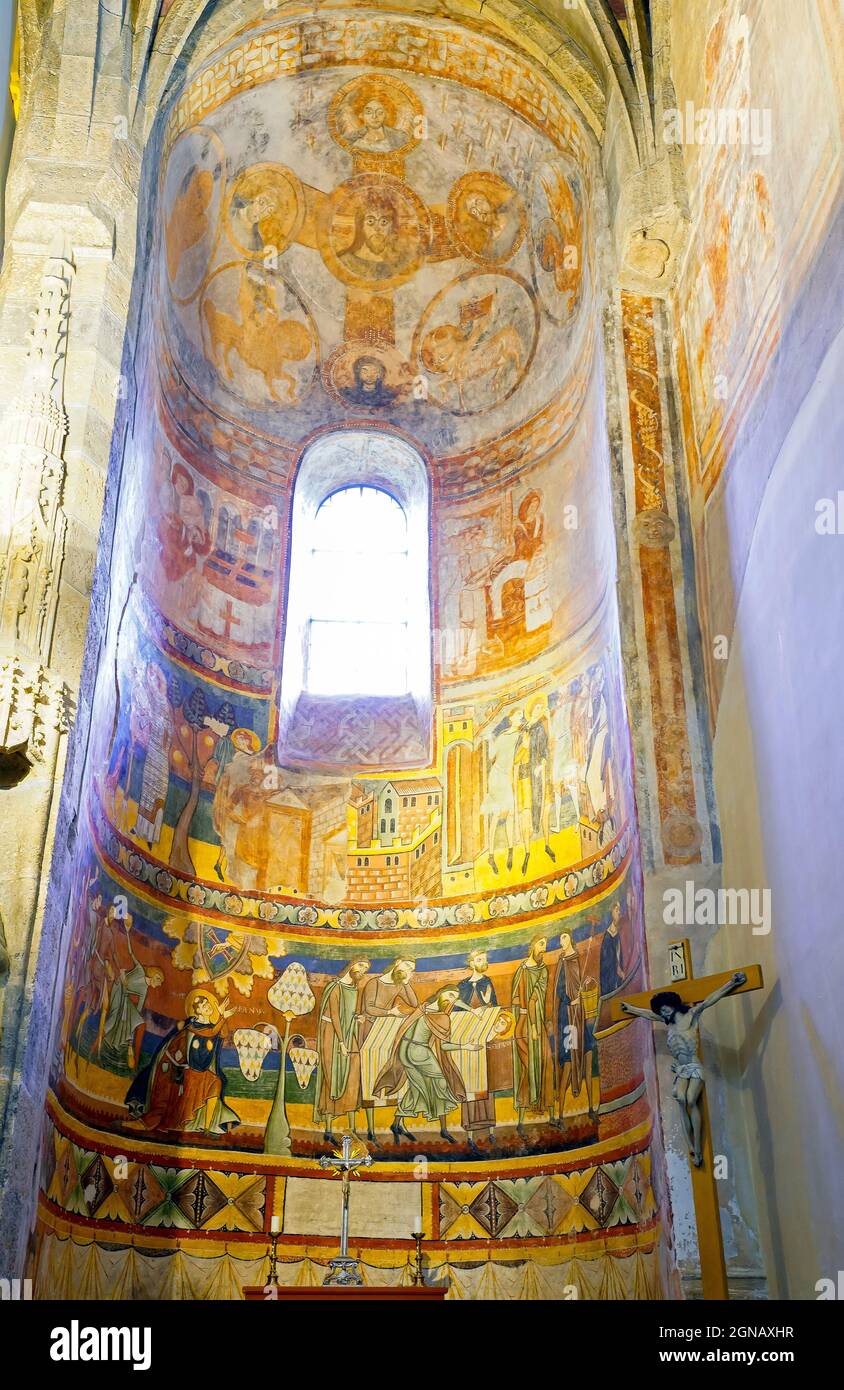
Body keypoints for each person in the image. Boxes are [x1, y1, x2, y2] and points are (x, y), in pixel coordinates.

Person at [621, 973, 747, 1166]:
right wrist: (630, 1009)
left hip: (694, 1065)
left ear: (672, 1004)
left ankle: (698, 1148)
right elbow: (647, 1014)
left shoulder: (691, 1015)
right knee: (680, 1100)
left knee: (690, 1099)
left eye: (665, 1008)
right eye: (661, 1011)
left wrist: (731, 982)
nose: (663, 1013)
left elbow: (711, 999)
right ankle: (691, 1146)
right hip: (680, 1069)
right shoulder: (667, 1023)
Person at [125, 988, 239, 1136]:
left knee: (216, 1082)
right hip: (183, 1069)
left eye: (209, 1005)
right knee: (206, 1082)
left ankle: (206, 1128)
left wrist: (221, 1017)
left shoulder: (210, 1027)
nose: (209, 1007)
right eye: (205, 1006)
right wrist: (222, 1017)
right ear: (198, 1012)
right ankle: (185, 1121)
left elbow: (220, 1033)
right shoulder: (192, 1026)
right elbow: (208, 1034)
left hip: (199, 1070)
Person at [373, 988, 472, 1144]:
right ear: (441, 993)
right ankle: (443, 1129)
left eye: (454, 999)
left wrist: (464, 1046)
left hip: (408, 1052)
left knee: (416, 1089)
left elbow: (444, 1046)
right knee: (441, 1084)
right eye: (450, 995)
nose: (451, 1000)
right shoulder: (422, 1008)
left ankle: (396, 1124)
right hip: (416, 1053)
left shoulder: (438, 1016)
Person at [357, 959, 418, 1142]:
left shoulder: (400, 984)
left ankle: (399, 1123)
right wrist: (390, 1013)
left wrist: (407, 984)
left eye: (412, 970)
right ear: (398, 963)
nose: (408, 971)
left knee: (398, 1070)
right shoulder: (374, 983)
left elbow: (414, 1003)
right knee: (370, 1075)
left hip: (388, 1031)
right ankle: (371, 1129)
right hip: (369, 1030)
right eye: (407, 967)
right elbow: (369, 1008)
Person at [314, 958, 371, 1142]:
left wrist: (358, 1019)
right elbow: (335, 1016)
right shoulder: (335, 987)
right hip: (333, 1036)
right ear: (352, 965)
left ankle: (351, 1127)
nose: (363, 971)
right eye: (361, 965)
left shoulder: (354, 989)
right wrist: (341, 1043)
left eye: (366, 969)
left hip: (349, 1035)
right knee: (333, 1078)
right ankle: (329, 1129)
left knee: (353, 1076)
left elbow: (349, 1015)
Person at [100, 915, 163, 1072]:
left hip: (125, 999)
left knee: (133, 1016)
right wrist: (127, 932)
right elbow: (129, 951)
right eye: (158, 980)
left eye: (159, 982)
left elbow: (139, 1007)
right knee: (129, 1011)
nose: (158, 984)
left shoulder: (145, 990)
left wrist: (136, 1017)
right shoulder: (140, 970)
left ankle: (125, 1046)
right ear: (154, 975)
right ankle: (127, 1046)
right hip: (118, 988)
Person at [454, 950, 499, 1147]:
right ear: (472, 962)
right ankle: (470, 1135)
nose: (484, 962)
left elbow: (495, 1011)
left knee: (487, 1086)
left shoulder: (487, 983)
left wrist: (487, 1006)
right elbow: (454, 1014)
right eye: (480, 959)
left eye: (485, 959)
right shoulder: (462, 986)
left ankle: (490, 1130)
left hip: (485, 1042)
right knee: (469, 1086)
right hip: (467, 1044)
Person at [511, 935, 555, 1131]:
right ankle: (520, 1120)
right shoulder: (521, 971)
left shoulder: (543, 970)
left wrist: (537, 1026)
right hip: (525, 1026)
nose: (544, 948)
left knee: (546, 1062)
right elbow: (518, 1001)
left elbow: (534, 999)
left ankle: (550, 1114)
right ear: (532, 946)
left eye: (545, 944)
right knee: (525, 1067)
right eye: (541, 944)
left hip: (536, 1024)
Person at [553, 928, 596, 1123]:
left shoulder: (578, 958)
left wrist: (585, 987)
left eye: (563, 936)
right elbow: (559, 990)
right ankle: (560, 1114)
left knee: (588, 1054)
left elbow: (585, 982)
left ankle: (591, 1107)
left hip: (580, 1014)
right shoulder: (562, 962)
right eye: (560, 937)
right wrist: (570, 1000)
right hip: (568, 1015)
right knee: (569, 1061)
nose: (561, 939)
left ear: (570, 938)